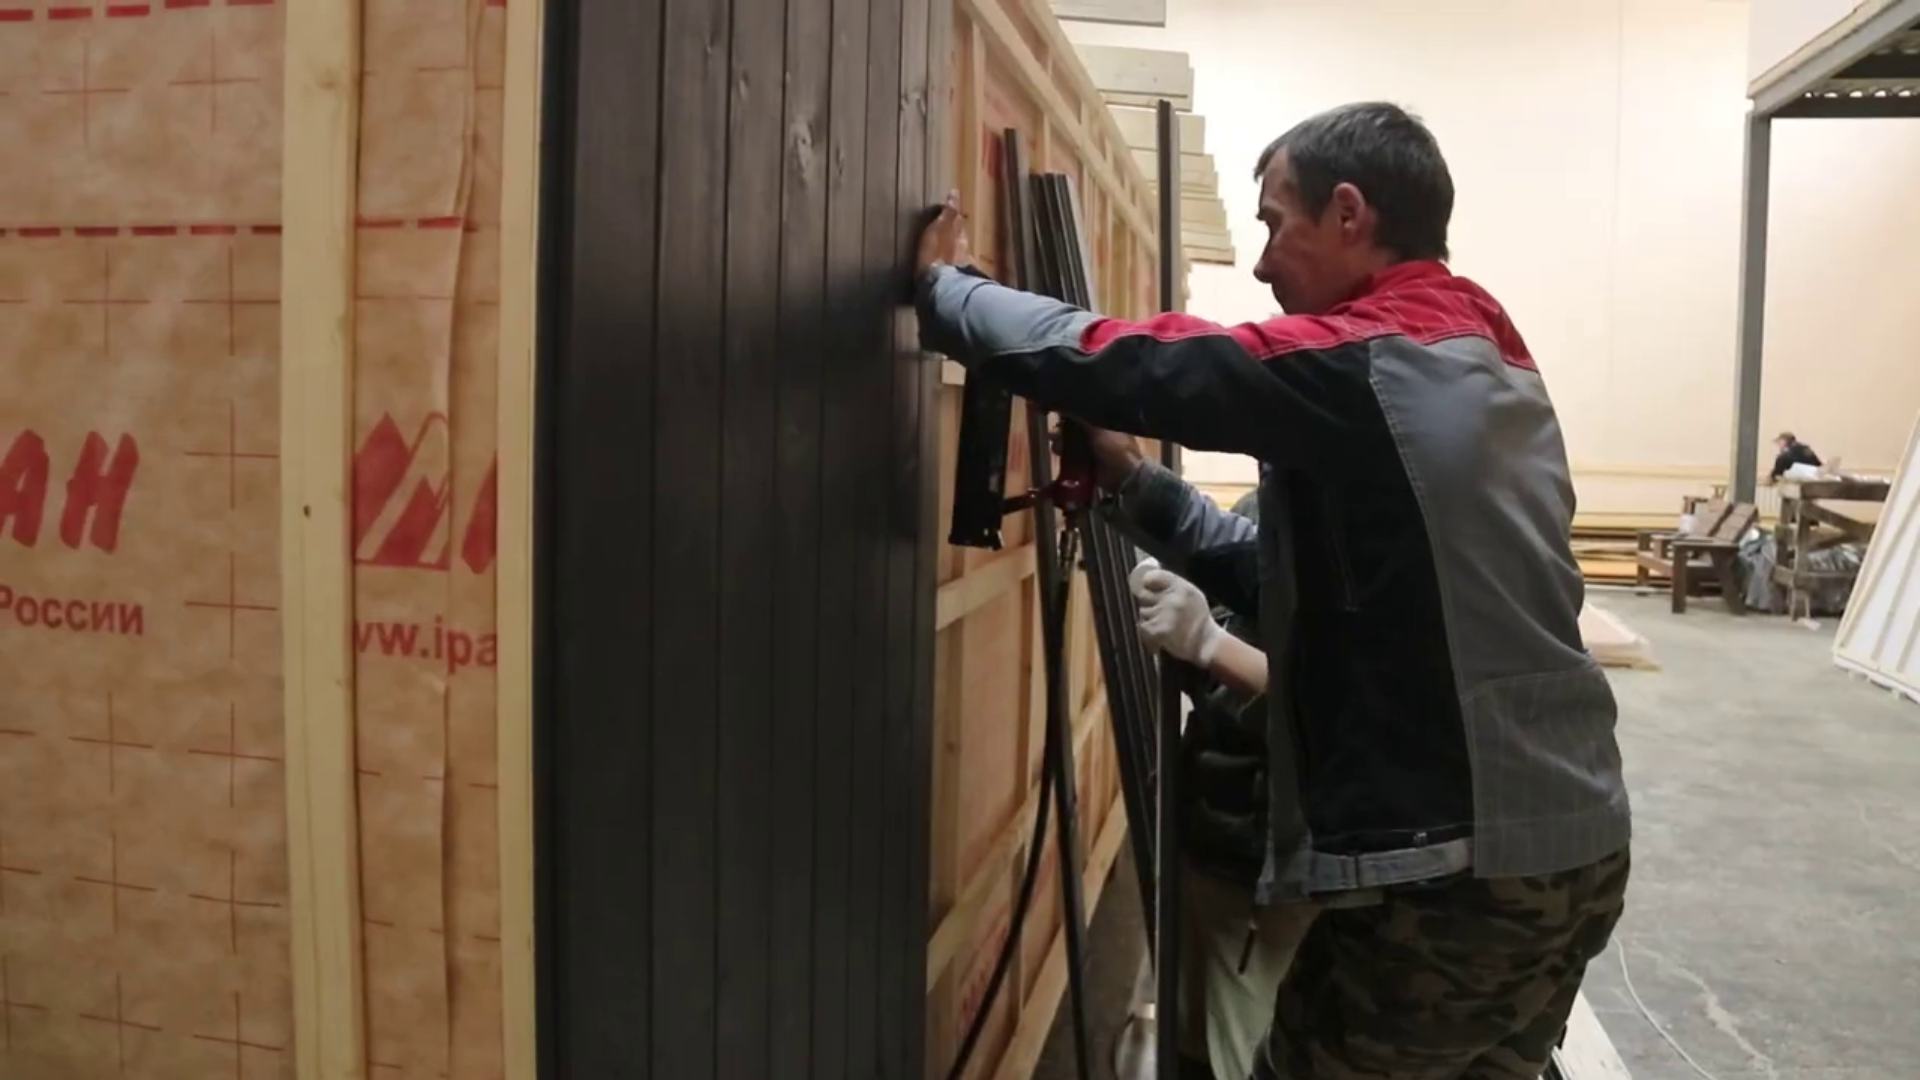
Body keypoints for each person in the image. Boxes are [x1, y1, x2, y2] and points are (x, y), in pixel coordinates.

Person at [914, 101, 1630, 1079]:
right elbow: (1307, 591)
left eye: (1274, 222)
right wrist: (1136, 485)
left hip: (1463, 875)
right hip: (1569, 844)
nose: (1260, 263)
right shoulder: (1480, 356)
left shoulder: (1376, 362)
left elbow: (1136, 362)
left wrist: (946, 291)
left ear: (1349, 213)